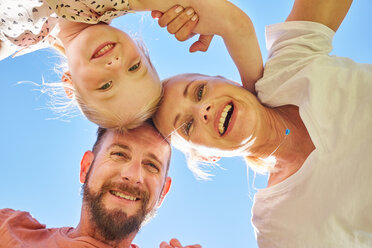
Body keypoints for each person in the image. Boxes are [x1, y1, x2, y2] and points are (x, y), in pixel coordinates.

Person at [153, 0, 372, 247]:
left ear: (227, 80)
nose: (202, 110)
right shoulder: (276, 225)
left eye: (200, 91)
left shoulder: (290, 67)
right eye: (188, 127)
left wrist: (223, 15)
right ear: (207, 157)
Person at [0, 0, 205, 131]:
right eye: (134, 67)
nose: (115, 64)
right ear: (141, 48)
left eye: (105, 86)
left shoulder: (21, 39)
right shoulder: (111, 4)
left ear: (70, 85)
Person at [0, 123, 200, 248]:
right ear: (86, 167)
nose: (132, 176)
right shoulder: (8, 229)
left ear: (163, 193)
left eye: (151, 165)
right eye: (119, 154)